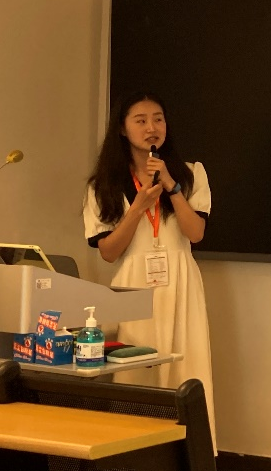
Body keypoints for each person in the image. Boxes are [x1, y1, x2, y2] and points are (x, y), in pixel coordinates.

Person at [82, 91, 215, 449]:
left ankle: (190, 457)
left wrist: (172, 186)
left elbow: (195, 233)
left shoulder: (191, 173)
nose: (151, 127)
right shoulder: (104, 185)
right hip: (134, 285)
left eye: (158, 119)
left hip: (181, 282)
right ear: (123, 129)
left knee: (187, 369)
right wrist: (137, 208)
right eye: (140, 120)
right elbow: (108, 252)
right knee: (136, 372)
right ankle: (132, 458)